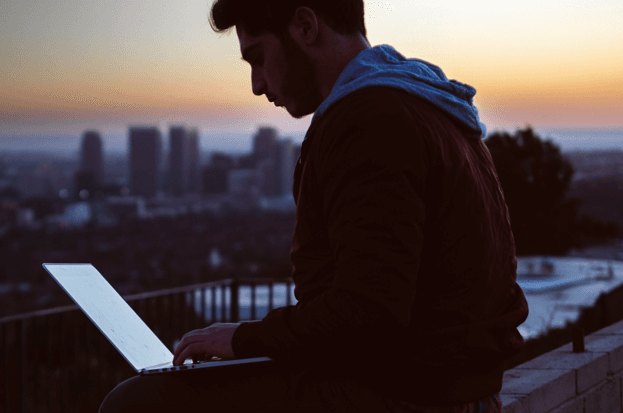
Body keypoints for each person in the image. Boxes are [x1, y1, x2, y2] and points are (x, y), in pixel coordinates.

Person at [99, 0, 529, 412]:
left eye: (258, 58)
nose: (257, 85)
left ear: (305, 27)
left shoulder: (369, 120)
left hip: (406, 395)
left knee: (134, 403)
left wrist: (243, 340)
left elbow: (369, 313)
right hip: (459, 389)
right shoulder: (430, 105)